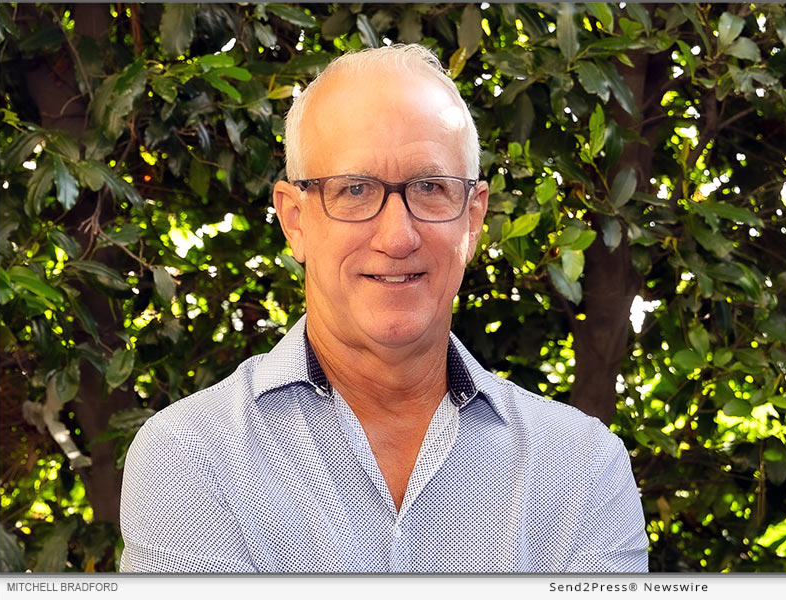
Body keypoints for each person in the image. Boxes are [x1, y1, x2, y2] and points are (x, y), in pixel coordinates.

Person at [119, 44, 648, 573]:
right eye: (354, 189)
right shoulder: (190, 457)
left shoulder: (582, 469)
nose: (397, 237)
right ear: (295, 220)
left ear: (473, 219)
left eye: (430, 187)